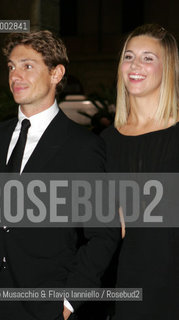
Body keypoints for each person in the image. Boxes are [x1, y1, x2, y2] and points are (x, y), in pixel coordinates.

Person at [0, 30, 120, 320]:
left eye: (28, 65)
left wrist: (70, 300)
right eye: (11, 66)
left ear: (56, 73)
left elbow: (103, 234)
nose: (15, 75)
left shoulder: (83, 147)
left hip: (42, 305)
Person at [101, 24, 179, 319]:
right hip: (127, 287)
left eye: (148, 58)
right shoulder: (106, 143)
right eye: (129, 56)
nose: (135, 65)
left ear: (167, 68)